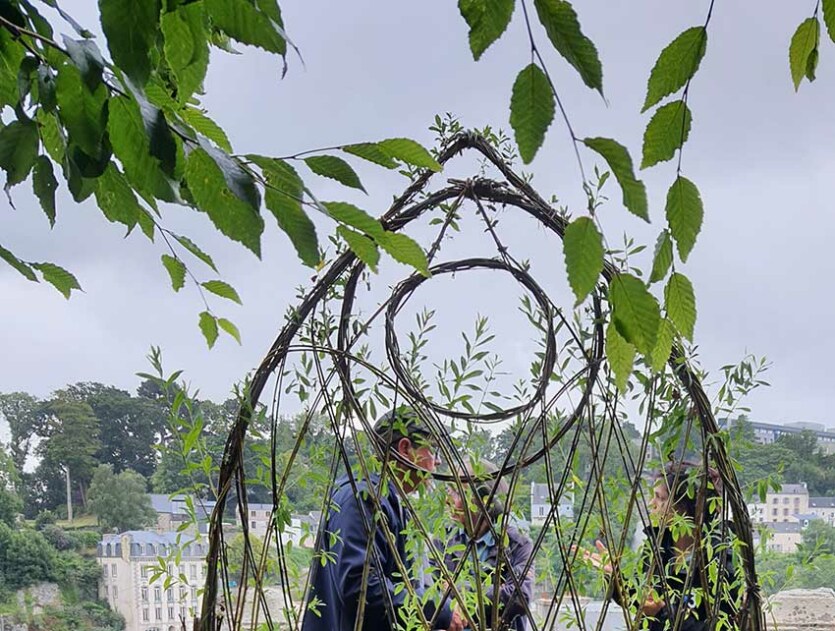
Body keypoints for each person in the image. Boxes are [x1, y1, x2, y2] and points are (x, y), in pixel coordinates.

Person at [302, 406, 465, 631]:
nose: (437, 463)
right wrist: (437, 610)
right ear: (405, 448)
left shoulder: (391, 501)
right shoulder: (363, 499)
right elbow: (362, 588)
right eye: (433, 451)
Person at [582, 461, 740, 631]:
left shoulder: (719, 560)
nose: (652, 504)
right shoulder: (658, 547)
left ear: (684, 507)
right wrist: (616, 581)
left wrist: (663, 613)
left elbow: (723, 627)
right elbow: (642, 601)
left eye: (660, 498)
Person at [439, 460, 534, 631]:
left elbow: (519, 598)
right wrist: (496, 591)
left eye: (457, 493)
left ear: (483, 500)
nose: (447, 500)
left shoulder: (516, 544)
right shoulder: (443, 541)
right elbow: (431, 595)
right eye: (449, 491)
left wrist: (460, 590)